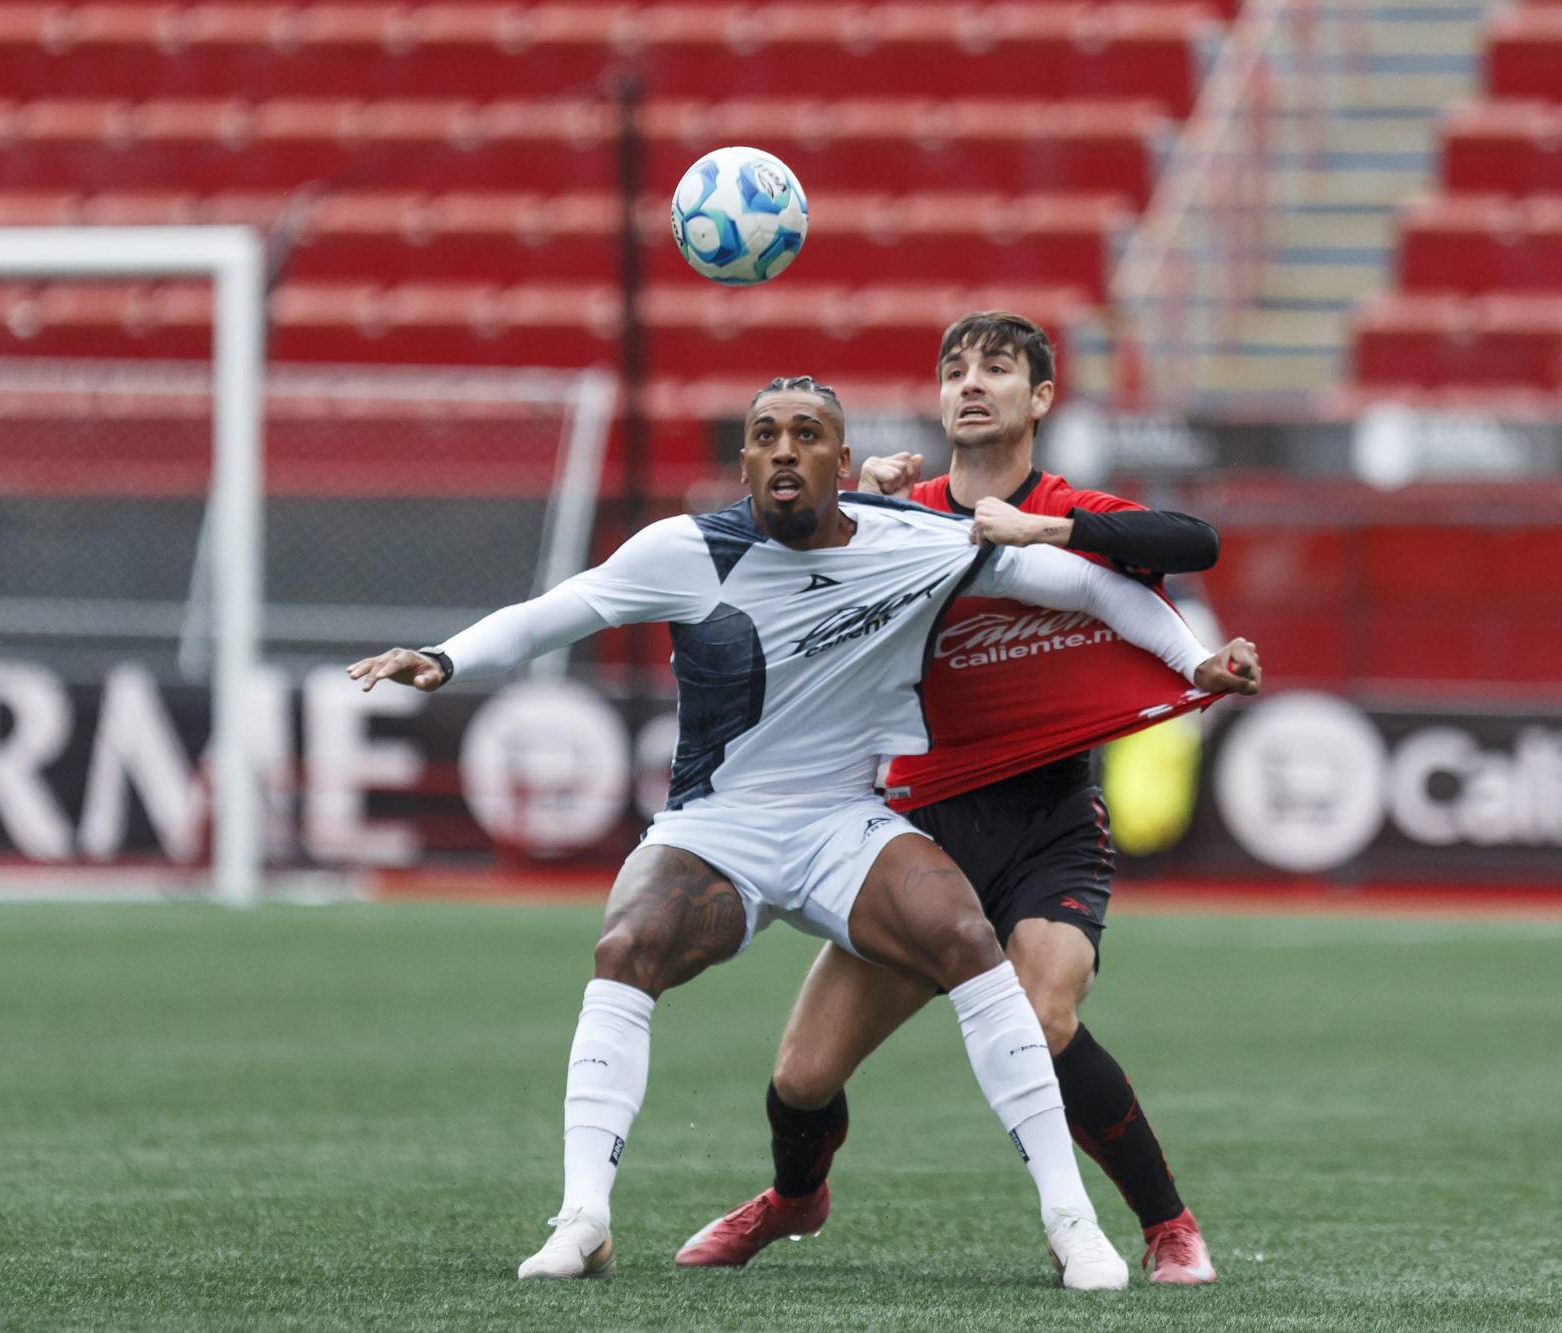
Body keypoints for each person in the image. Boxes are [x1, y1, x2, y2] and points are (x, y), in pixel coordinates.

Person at [347, 375, 1262, 1290]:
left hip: (845, 824)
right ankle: (584, 1219)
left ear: (842, 460)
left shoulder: (918, 539)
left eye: (807, 433)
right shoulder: (685, 548)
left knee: (966, 938)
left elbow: (1092, 586)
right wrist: (445, 656)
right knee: (633, 951)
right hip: (718, 825)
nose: (784, 448)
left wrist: (1194, 662)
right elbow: (557, 612)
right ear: (745, 462)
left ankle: (1074, 1224)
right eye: (764, 435)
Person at [677, 314, 1238, 1286]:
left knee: (1044, 1017)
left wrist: (1045, 530)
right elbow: (781, 553)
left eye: (996, 368)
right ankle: (794, 1198)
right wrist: (853, 498)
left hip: (1046, 824)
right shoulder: (897, 514)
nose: (970, 383)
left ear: (1040, 397)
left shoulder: (1066, 508)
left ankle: (1167, 1225)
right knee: (801, 1079)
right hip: (911, 835)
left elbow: (1195, 541)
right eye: (954, 370)